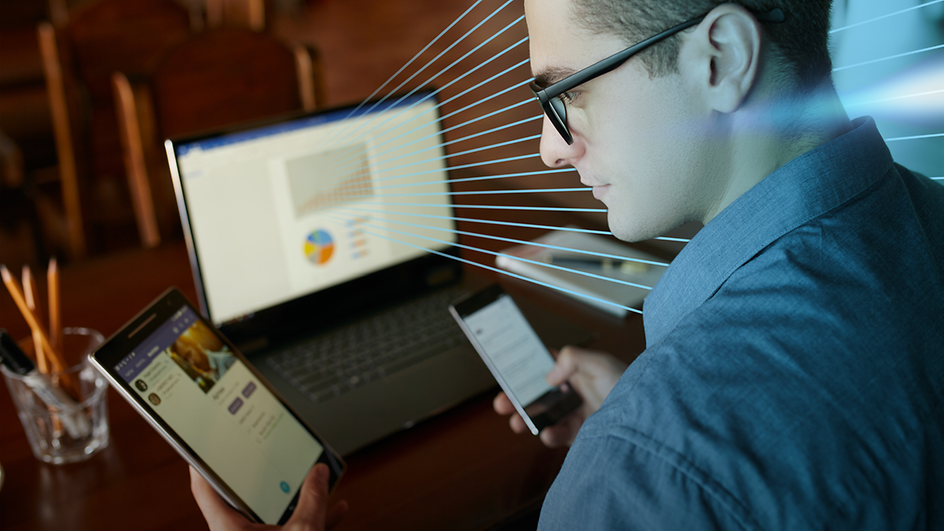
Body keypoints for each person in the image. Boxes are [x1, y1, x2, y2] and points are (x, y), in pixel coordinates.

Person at [193, 0, 944, 528]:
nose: (552, 147)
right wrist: (638, 424)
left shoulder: (643, 472)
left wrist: (643, 450)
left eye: (567, 92)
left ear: (720, 58)